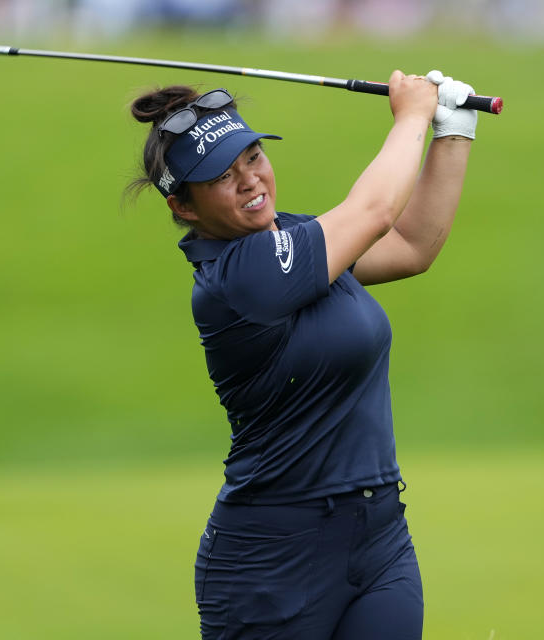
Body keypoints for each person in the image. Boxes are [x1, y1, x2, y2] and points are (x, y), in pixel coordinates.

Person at [127, 68, 477, 639]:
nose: (249, 180)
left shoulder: (292, 240)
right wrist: (412, 114)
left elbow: (411, 246)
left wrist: (453, 133)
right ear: (184, 207)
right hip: (272, 561)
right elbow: (373, 213)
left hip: (378, 535)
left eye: (253, 156)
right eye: (221, 175)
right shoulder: (239, 277)